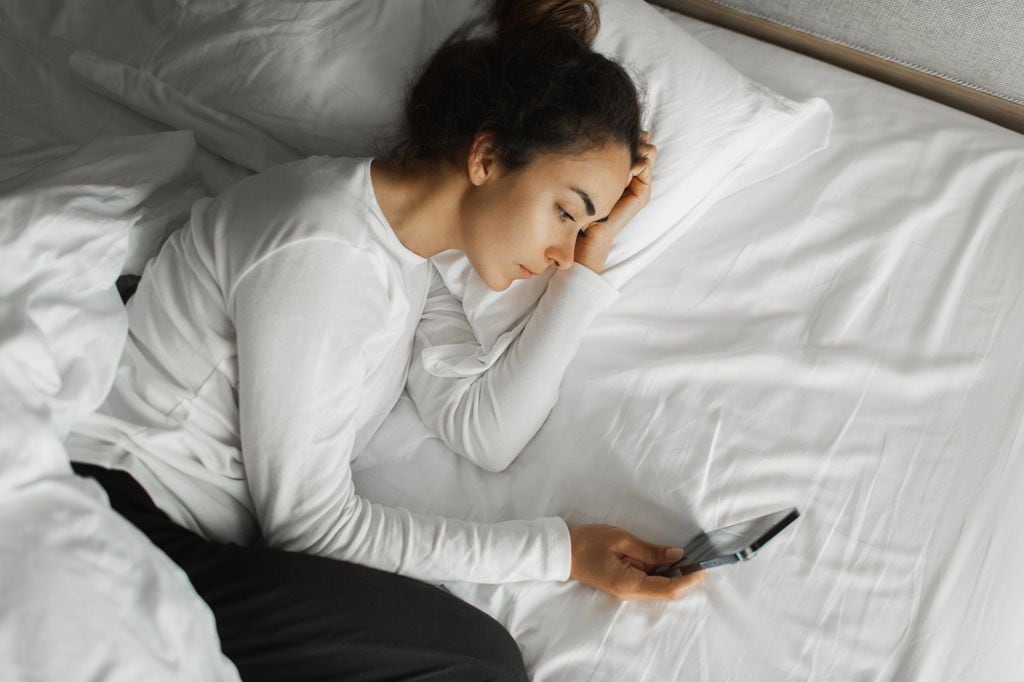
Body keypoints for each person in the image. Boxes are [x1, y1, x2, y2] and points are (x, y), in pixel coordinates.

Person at [66, 0, 706, 679]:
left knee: (477, 658)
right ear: (487, 156)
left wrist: (585, 267)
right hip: (119, 518)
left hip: (193, 544)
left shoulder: (413, 259)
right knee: (479, 663)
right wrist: (562, 553)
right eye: (565, 212)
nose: (558, 249)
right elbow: (309, 528)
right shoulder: (327, 247)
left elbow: (487, 435)